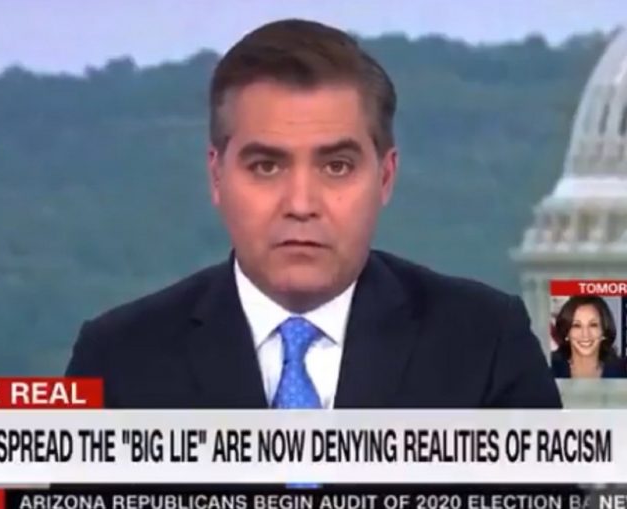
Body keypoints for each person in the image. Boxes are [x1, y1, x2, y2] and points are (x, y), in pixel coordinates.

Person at [65, 18, 561, 409]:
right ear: (216, 176)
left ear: (385, 177)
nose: (301, 204)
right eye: (266, 166)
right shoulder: (118, 360)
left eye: (337, 166)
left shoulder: (486, 347)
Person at [551, 296, 627, 378]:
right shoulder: (549, 369)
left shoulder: (622, 372)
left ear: (604, 330)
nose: (585, 334)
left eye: (593, 325)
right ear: (566, 332)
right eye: (577, 325)